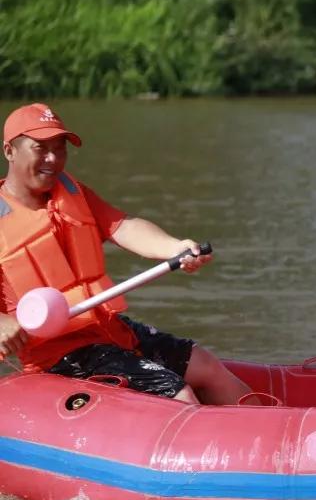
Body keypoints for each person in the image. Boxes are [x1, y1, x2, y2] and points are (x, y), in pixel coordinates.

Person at [0, 103, 253, 404]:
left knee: (208, 368)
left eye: (60, 148)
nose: (53, 159)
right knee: (178, 393)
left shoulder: (71, 192)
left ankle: (270, 443)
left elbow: (124, 227)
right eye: (40, 148)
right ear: (10, 151)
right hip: (59, 354)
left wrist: (174, 247)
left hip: (110, 330)